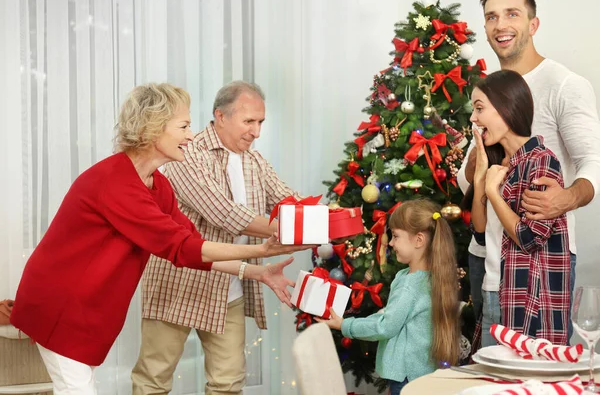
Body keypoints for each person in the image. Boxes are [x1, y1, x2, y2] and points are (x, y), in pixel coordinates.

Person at [9, 83, 311, 394]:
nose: (191, 135)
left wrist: (257, 271)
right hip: (60, 305)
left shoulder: (158, 185)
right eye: (183, 126)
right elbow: (185, 244)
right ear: (153, 130)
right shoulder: (115, 183)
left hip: (86, 309)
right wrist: (262, 248)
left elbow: (190, 249)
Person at [131, 81, 302, 395]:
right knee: (153, 381)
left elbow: (289, 202)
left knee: (228, 383)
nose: (256, 131)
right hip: (179, 284)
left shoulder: (255, 161)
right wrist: (285, 230)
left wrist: (326, 221)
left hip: (230, 285)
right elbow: (221, 212)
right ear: (220, 116)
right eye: (248, 121)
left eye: (261, 122)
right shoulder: (186, 153)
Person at [459, 0, 600, 344]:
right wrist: (479, 165)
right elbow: (466, 179)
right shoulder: (489, 91)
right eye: (491, 17)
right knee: (492, 367)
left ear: (533, 24)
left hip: (536, 261)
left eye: (512, 14)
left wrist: (566, 198)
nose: (500, 25)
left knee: (537, 370)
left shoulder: (565, 85)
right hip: (485, 257)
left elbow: (593, 162)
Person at [316, 199, 460, 395]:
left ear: (419, 240)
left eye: (396, 236)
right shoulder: (425, 277)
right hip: (421, 374)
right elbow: (394, 317)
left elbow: (385, 327)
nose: (390, 243)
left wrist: (344, 325)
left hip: (408, 378)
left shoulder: (410, 285)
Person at [471, 70, 571, 345]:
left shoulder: (542, 161)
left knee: (525, 387)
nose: (473, 118)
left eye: (479, 108)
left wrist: (493, 192)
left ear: (506, 107)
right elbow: (479, 232)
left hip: (525, 300)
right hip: (491, 292)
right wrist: (481, 177)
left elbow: (529, 237)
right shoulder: (496, 165)